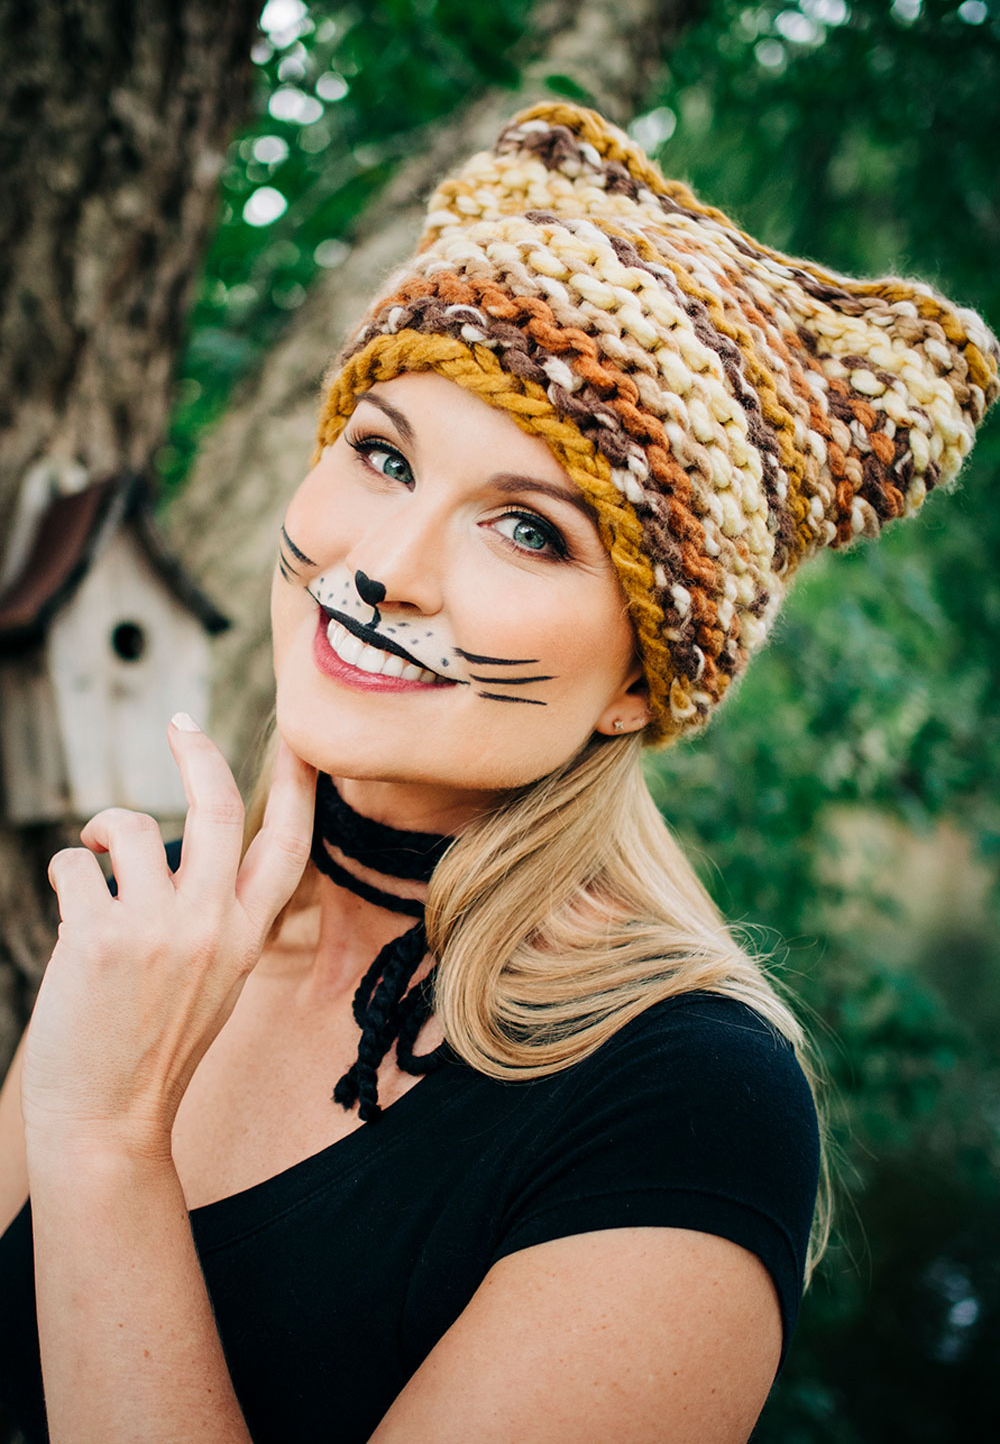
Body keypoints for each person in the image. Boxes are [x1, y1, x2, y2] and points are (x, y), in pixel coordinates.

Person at [0, 101, 996, 1444]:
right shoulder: (161, 943)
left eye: (528, 530)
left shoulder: (690, 1105)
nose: (386, 570)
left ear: (644, 680)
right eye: (383, 454)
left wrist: (105, 1147)